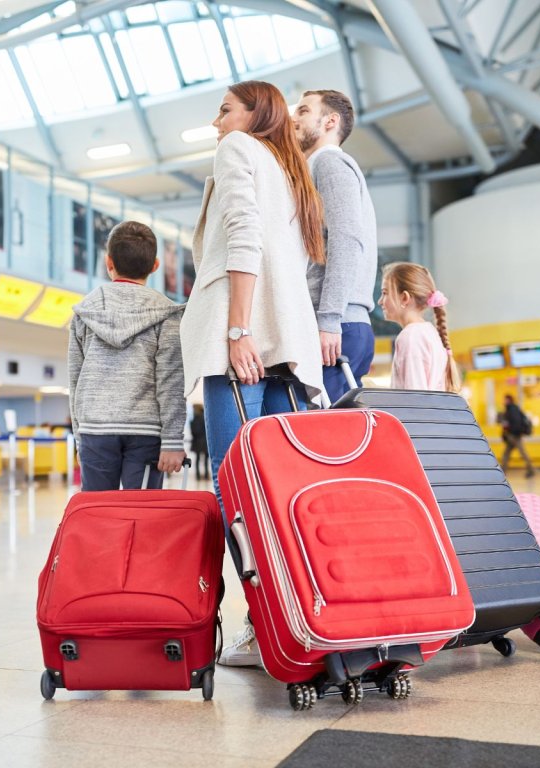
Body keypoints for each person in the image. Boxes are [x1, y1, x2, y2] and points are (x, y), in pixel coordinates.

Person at [180, 80, 325, 667]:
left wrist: (237, 330)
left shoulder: (239, 150)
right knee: (281, 488)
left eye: (224, 111)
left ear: (253, 114)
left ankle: (262, 626)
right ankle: (300, 617)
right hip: (288, 341)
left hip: (247, 340)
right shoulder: (287, 169)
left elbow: (243, 240)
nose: (217, 123)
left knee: (235, 487)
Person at [67, 221, 187, 491]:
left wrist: (79, 435)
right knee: (141, 516)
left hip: (95, 430)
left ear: (108, 262)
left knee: (98, 515)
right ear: (155, 266)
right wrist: (172, 440)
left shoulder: (84, 312)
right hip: (146, 432)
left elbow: (75, 379)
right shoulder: (166, 315)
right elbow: (171, 381)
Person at [293, 89, 378, 402]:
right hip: (340, 322)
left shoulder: (328, 163)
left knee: (324, 442)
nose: (292, 118)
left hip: (337, 323)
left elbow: (345, 239)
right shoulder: (317, 166)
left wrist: (328, 319)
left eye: (303, 111)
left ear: (330, 121)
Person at [378, 261, 462, 393]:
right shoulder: (429, 332)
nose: (380, 301)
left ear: (404, 298)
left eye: (385, 293)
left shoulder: (410, 336)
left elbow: (414, 398)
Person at [500, 394, 536, 478]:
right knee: (507, 453)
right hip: (512, 436)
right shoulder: (511, 409)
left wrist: (514, 433)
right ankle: (502, 471)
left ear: (509, 400)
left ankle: (531, 469)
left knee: (522, 453)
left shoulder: (512, 409)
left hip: (514, 436)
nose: (503, 401)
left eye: (505, 400)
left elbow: (515, 423)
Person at [189, 404, 209, 480]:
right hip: (205, 442)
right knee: (206, 460)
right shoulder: (206, 418)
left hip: (197, 442)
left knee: (197, 459)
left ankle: (198, 476)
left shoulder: (194, 420)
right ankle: (206, 475)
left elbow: (194, 432)